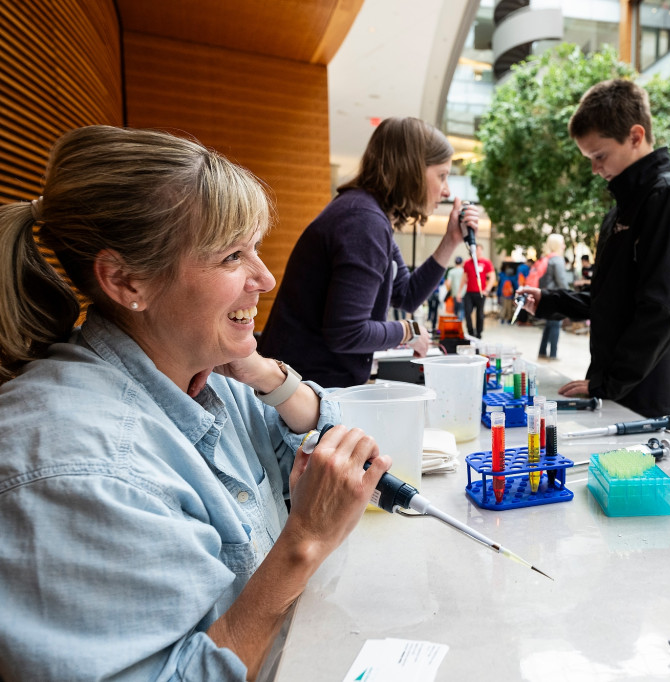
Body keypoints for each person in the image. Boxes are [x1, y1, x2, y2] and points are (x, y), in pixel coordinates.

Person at [0, 125, 392, 679]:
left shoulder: (209, 377)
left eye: (254, 247)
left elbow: (314, 443)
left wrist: (261, 370)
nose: (266, 277)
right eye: (233, 256)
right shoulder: (77, 470)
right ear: (126, 279)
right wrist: (302, 543)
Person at [519, 78, 670, 417]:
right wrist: (551, 301)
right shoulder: (620, 208)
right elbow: (612, 300)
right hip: (619, 384)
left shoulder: (666, 198)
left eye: (599, 155)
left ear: (635, 136)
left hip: (646, 389)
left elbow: (660, 307)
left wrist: (610, 382)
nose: (595, 168)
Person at [258, 117, 479, 388]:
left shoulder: (367, 214)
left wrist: (451, 240)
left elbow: (407, 295)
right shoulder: (363, 222)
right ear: (412, 170)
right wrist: (407, 331)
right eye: (442, 175)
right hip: (303, 390)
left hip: (307, 385)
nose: (446, 190)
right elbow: (347, 332)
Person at [536, 233, 572, 360]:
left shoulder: (546, 258)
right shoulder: (557, 260)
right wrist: (570, 295)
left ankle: (542, 351)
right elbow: (561, 281)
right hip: (555, 297)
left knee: (549, 325)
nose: (564, 246)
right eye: (562, 243)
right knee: (555, 324)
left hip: (545, 295)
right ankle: (553, 354)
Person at [462, 252, 495, 338]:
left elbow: (492, 277)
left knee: (479, 313)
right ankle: (470, 332)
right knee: (467, 312)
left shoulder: (486, 262)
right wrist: (459, 292)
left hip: (480, 293)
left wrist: (487, 290)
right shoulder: (467, 263)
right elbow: (464, 278)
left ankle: (479, 333)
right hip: (469, 292)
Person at [446, 255, 465, 320]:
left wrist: (450, 290)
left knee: (455, 311)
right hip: (463, 294)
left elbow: (448, 283)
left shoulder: (451, 271)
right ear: (462, 262)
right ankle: (460, 324)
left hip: (454, 294)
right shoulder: (464, 271)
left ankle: (456, 325)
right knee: (462, 310)